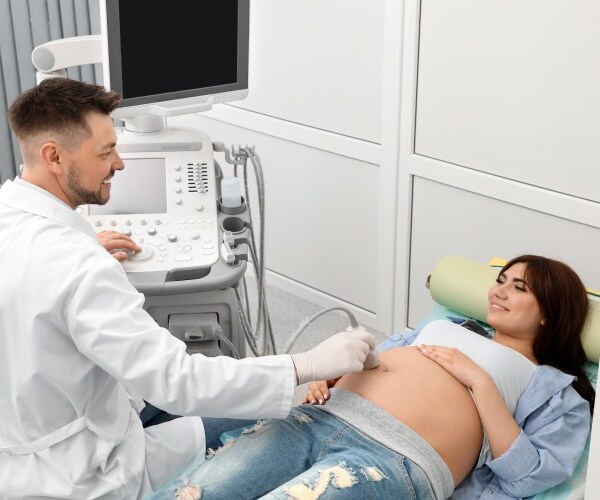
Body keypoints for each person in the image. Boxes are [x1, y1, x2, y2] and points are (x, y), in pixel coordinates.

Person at [0, 77, 379, 499]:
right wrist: (306, 365)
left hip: (23, 453)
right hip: (86, 472)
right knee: (285, 421)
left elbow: (39, 284)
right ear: (54, 156)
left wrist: (84, 244)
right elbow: (179, 382)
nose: (119, 163)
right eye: (106, 151)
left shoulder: (20, 222)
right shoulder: (80, 265)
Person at [148, 255, 595, 500]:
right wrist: (334, 377)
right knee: (198, 492)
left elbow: (529, 476)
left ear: (550, 313)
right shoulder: (446, 326)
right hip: (316, 419)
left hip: (397, 458)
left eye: (520, 288)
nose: (499, 290)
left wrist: (478, 381)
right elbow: (376, 359)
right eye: (500, 280)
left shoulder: (557, 389)